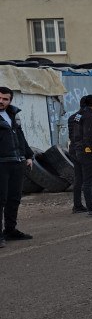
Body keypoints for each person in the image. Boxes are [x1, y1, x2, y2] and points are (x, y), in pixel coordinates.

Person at [0, 87, 36, 246]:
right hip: (1, 163)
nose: (1, 101)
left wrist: (28, 155)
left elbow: (20, 136)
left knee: (14, 199)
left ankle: (10, 230)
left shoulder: (12, 115)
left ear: (10, 101)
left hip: (17, 162)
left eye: (5, 99)